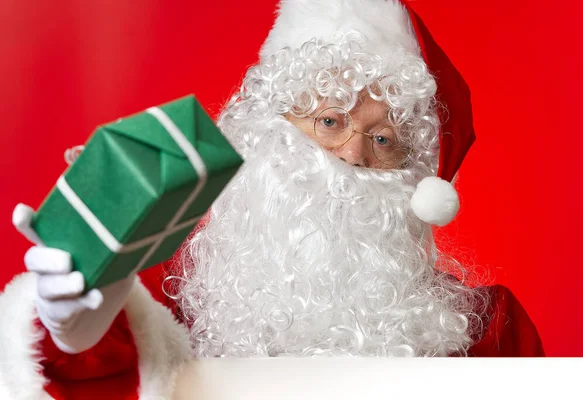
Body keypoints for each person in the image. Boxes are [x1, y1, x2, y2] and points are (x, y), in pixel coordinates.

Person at [0, 0, 544, 398]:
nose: (352, 155)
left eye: (383, 140)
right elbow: (74, 376)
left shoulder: (490, 330)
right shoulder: (167, 302)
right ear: (268, 132)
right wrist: (66, 337)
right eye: (329, 121)